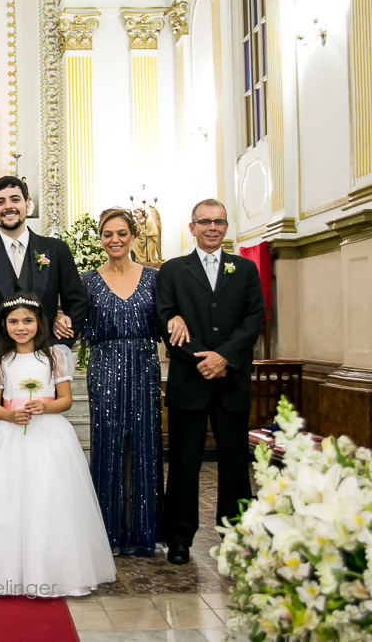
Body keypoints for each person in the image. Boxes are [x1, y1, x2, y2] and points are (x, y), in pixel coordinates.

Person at [0, 293, 115, 597]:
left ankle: (55, 568)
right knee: (9, 500)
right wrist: (11, 415)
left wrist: (43, 407)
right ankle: (8, 570)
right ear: (3, 325)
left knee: (50, 497)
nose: (21, 327)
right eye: (13, 322)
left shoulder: (54, 357)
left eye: (27, 320)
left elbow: (64, 399)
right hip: (9, 436)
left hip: (49, 435)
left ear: (40, 323)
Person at [154, 198, 265, 565]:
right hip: (191, 380)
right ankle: (180, 538)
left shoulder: (245, 269)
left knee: (235, 463)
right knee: (185, 463)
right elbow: (165, 319)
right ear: (192, 228)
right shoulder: (172, 270)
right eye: (205, 222)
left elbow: (253, 319)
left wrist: (225, 358)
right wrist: (203, 358)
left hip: (231, 381)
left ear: (226, 227)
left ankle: (237, 535)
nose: (212, 228)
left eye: (218, 222)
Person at [83, 208, 189, 556]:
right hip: (104, 367)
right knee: (108, 447)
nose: (114, 240)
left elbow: (169, 317)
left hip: (145, 366)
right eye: (107, 234)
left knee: (146, 446)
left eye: (121, 233)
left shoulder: (155, 278)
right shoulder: (86, 281)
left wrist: (177, 319)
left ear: (133, 236)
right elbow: (74, 324)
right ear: (100, 238)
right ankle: (107, 533)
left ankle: (146, 532)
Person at [0, 176, 87, 354]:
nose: (8, 206)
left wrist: (58, 345)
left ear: (27, 205)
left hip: (45, 355)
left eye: (15, 199)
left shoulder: (56, 250)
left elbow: (76, 302)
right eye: (0, 202)